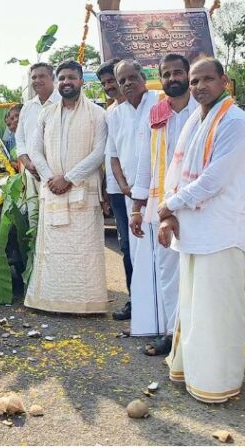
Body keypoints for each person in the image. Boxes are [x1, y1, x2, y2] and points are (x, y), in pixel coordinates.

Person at [160, 58, 245, 404]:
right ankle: (193, 372)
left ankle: (218, 381)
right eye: (194, 81)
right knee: (193, 307)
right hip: (193, 229)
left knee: (217, 310)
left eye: (207, 80)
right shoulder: (195, 119)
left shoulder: (235, 122)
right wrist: (170, 213)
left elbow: (213, 180)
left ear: (224, 81)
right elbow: (175, 169)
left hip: (220, 230)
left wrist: (170, 205)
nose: (199, 87)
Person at [24, 61, 108, 313]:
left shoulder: (97, 113)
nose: (66, 82)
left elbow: (99, 152)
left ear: (81, 81)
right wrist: (50, 177)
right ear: (57, 82)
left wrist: (69, 178)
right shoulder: (46, 114)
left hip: (82, 195)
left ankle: (86, 304)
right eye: (62, 78)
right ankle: (50, 301)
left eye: (71, 77)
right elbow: (34, 150)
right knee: (53, 251)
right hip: (53, 192)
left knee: (84, 252)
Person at [129, 54, 198, 356]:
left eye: (177, 72)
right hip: (162, 205)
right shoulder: (156, 113)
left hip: (197, 204)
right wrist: (137, 207)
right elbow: (146, 162)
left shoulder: (203, 110)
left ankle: (198, 336)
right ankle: (173, 333)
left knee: (197, 272)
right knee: (168, 273)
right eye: (166, 74)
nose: (172, 78)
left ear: (188, 75)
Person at [106, 60, 159, 323]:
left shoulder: (159, 103)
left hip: (159, 193)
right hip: (130, 197)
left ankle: (165, 316)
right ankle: (143, 313)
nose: (127, 83)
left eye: (131, 78)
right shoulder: (115, 114)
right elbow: (113, 156)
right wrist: (124, 186)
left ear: (143, 77)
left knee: (162, 253)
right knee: (137, 253)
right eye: (122, 80)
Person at [97, 60, 131, 302]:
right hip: (117, 191)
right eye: (105, 83)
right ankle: (135, 301)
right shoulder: (109, 113)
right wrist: (106, 190)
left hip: (139, 190)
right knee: (126, 246)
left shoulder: (145, 106)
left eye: (112, 80)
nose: (109, 86)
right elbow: (109, 155)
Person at [15, 63, 61, 229]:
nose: (36, 80)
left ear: (52, 78)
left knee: (55, 220)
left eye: (41, 76)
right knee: (34, 221)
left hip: (56, 175)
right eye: (34, 77)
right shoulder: (27, 107)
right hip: (32, 174)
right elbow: (20, 139)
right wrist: (28, 164)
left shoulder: (62, 103)